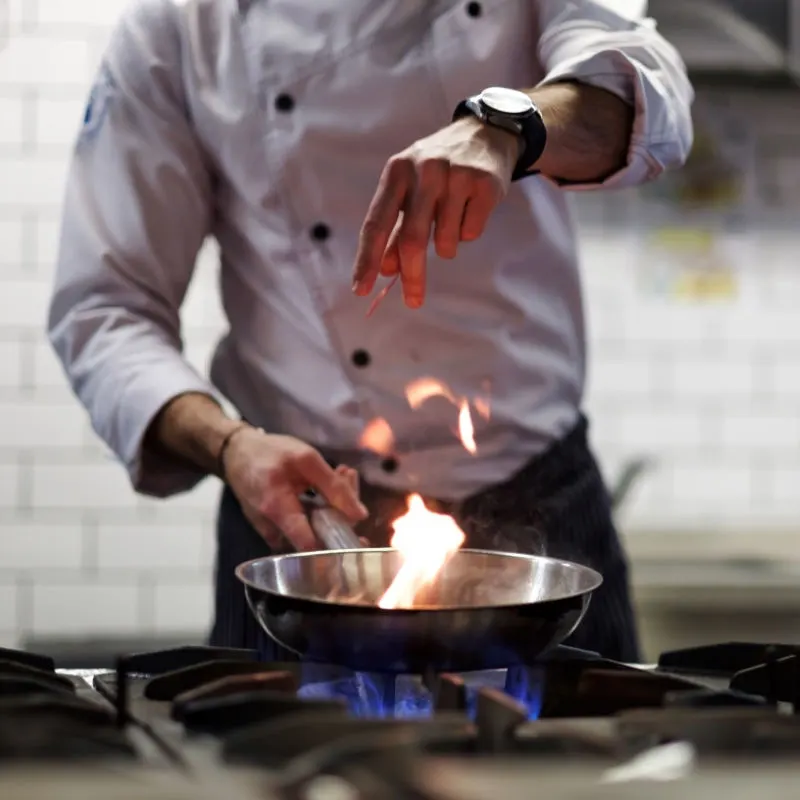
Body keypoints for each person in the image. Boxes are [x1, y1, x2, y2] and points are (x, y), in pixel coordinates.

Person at [48, 0, 693, 663]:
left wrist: (509, 125)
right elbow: (105, 309)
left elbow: (655, 95)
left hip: (542, 514)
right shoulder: (181, 27)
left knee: (592, 763)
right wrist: (230, 445)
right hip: (303, 528)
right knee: (269, 766)